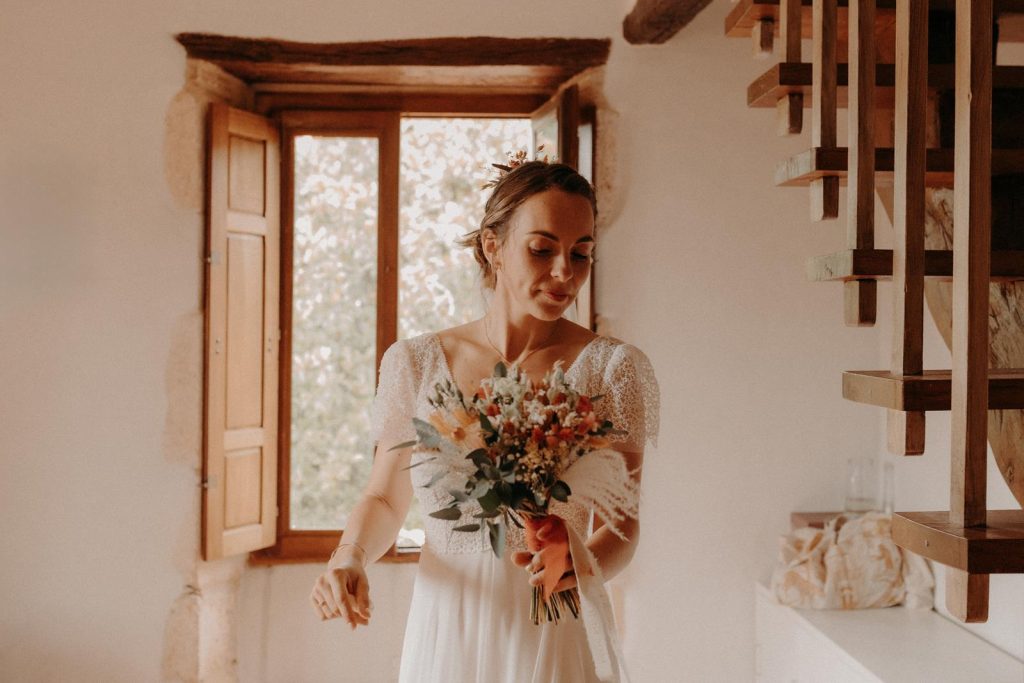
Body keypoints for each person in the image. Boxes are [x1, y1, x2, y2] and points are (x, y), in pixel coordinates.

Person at [309, 159, 661, 682]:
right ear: (492, 247)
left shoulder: (613, 370)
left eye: (581, 254)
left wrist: (577, 564)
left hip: (551, 619)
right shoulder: (417, 363)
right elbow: (385, 498)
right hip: (448, 621)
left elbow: (621, 527)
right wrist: (349, 557)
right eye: (542, 250)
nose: (565, 271)